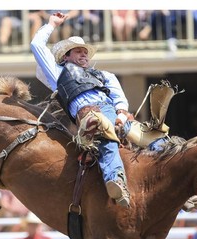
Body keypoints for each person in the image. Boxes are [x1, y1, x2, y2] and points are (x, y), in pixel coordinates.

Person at [30, 11, 133, 207]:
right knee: (106, 135)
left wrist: (121, 113)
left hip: (112, 111)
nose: (84, 54)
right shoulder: (57, 72)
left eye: (85, 51)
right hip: (89, 113)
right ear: (66, 56)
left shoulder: (104, 75)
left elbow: (118, 97)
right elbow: (36, 45)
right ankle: (116, 181)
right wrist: (52, 23)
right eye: (78, 51)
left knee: (149, 136)